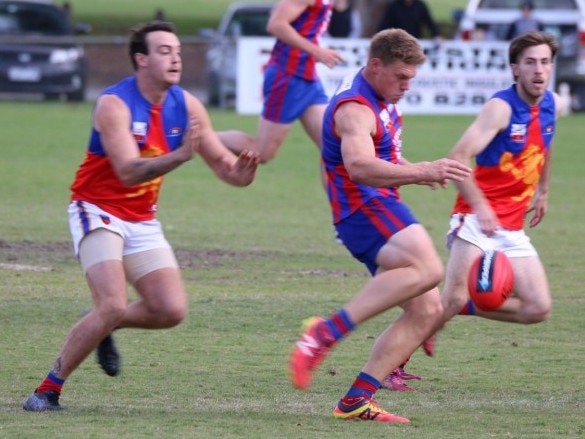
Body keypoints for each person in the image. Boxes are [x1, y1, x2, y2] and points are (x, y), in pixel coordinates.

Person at [22, 21, 260, 412]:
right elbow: (128, 171)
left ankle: (101, 323)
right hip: (96, 210)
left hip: (141, 218)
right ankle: (47, 390)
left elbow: (223, 166)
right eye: (165, 51)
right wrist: (180, 156)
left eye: (179, 51)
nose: (175, 58)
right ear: (141, 59)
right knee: (113, 302)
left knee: (170, 310)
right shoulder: (113, 103)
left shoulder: (188, 105)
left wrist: (242, 174)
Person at [288, 28, 472, 423]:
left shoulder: (383, 97)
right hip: (364, 207)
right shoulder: (355, 108)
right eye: (401, 77)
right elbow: (358, 166)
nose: (407, 86)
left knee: (426, 311)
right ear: (375, 65)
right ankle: (324, 333)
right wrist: (422, 169)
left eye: (411, 78)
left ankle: (356, 399)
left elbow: (383, 155)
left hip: (377, 205)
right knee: (429, 269)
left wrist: (419, 171)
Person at [433, 31, 562, 343]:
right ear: (515, 69)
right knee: (450, 297)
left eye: (545, 62)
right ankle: (393, 364)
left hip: (512, 226)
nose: (539, 70)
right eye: (530, 63)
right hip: (476, 220)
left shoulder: (553, 104)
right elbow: (458, 157)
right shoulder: (501, 108)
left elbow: (546, 142)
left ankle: (455, 308)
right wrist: (481, 207)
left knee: (538, 308)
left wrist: (543, 189)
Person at [217, 0, 345, 188]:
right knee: (261, 151)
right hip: (288, 76)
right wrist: (316, 51)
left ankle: (342, 211)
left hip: (307, 78)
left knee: (334, 144)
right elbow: (276, 24)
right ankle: (198, 136)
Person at [376, 0, 441, 42]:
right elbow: (385, 23)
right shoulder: (394, 6)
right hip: (397, 41)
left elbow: (429, 22)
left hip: (415, 40)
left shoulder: (420, 5)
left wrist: (436, 35)